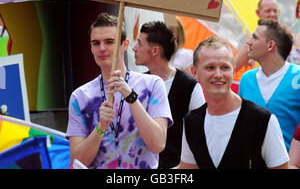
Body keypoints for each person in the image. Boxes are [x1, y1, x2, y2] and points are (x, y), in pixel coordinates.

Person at [66, 12, 172, 169]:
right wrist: (100, 128)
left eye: (109, 42)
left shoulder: (153, 84)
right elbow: (77, 161)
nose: (102, 48)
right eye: (96, 43)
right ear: (91, 48)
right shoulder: (80, 96)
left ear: (125, 44)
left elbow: (158, 144)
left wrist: (132, 98)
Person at [178, 36, 289, 169]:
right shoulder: (191, 122)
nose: (218, 74)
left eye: (225, 67)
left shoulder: (263, 120)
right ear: (195, 72)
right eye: (210, 68)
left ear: (234, 71)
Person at [133, 20, 205, 168]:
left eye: (139, 43)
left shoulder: (190, 86)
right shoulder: (137, 83)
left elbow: (202, 135)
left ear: (155, 50)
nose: (134, 48)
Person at [239, 19, 300, 151]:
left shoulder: (298, 78)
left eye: (254, 37)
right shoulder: (246, 79)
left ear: (270, 46)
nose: (248, 42)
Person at [235, 0, 280, 72]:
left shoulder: (283, 35)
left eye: (275, 11)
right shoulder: (254, 39)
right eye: (268, 11)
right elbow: (234, 66)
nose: (272, 14)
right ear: (258, 13)